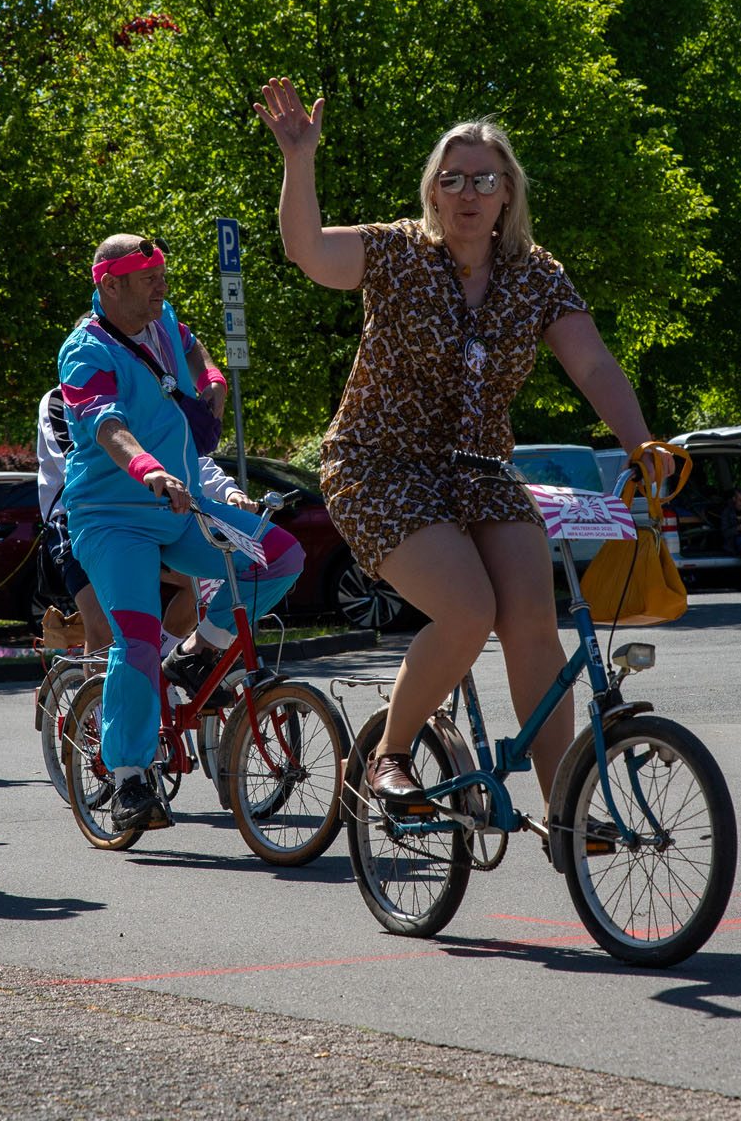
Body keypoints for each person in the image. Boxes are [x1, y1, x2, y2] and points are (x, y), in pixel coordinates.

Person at [256, 79, 666, 811]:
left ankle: (567, 808)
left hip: (480, 472)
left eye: (484, 179)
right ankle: (389, 755)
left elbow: (594, 364)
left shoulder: (537, 275)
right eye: (453, 180)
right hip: (378, 466)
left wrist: (642, 446)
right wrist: (299, 161)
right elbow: (310, 251)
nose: (468, 193)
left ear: (508, 192)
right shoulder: (395, 254)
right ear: (434, 194)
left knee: (535, 621)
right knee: (469, 609)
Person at [57, 233, 304, 832]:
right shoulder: (84, 352)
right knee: (137, 639)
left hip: (181, 505)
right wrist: (151, 470)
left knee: (278, 555)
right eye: (148, 278)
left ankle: (198, 656)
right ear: (109, 285)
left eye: (162, 274)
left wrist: (214, 378)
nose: (161, 286)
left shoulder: (163, 316)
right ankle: (129, 779)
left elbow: (195, 354)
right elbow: (109, 429)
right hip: (112, 517)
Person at [37, 384, 258, 661]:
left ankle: (161, 661)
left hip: (140, 515)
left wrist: (229, 491)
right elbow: (77, 463)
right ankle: (101, 705)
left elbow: (184, 456)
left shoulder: (138, 396)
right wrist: (148, 475)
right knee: (103, 623)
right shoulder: (60, 400)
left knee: (196, 588)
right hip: (77, 519)